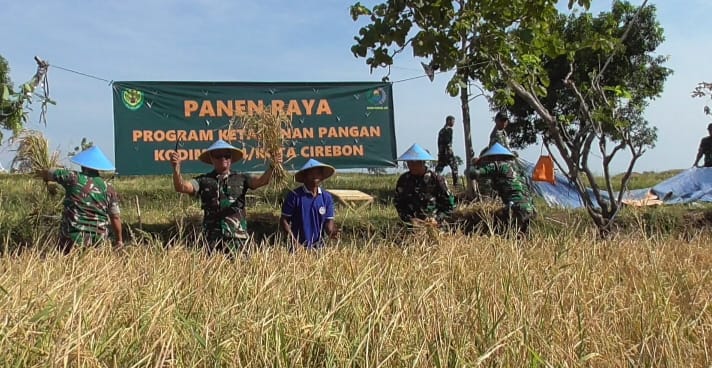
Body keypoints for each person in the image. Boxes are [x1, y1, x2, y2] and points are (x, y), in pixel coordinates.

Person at [170, 139, 281, 253]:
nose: (223, 159)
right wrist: (176, 168)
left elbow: (261, 181)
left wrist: (272, 166)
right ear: (212, 158)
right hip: (212, 238)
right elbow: (181, 187)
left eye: (227, 155)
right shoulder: (203, 180)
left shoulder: (241, 178)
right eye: (218, 156)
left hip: (237, 237)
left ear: (231, 158)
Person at [39, 146, 123, 253]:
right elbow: (115, 217)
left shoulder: (73, 178)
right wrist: (119, 241)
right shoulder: (109, 189)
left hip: (72, 239)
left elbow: (48, 172)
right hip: (98, 242)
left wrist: (46, 176)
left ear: (84, 166)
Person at [466, 143, 535, 235]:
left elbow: (473, 173)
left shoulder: (498, 165)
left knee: (500, 230)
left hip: (516, 208)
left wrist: (474, 164)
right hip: (530, 209)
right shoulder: (518, 169)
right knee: (524, 238)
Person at [280, 159, 338, 250]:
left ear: (322, 177)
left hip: (319, 248)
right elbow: (284, 220)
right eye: (311, 173)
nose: (315, 176)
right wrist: (294, 242)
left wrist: (332, 232)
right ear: (304, 177)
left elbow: (328, 223)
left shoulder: (326, 197)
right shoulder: (294, 196)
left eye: (318, 173)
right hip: (298, 248)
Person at [395, 143, 455, 228]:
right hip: (411, 226)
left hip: (435, 226)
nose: (411, 166)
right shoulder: (404, 180)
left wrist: (437, 218)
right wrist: (409, 219)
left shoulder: (436, 179)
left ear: (422, 162)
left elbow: (449, 205)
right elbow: (399, 203)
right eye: (409, 162)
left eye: (414, 163)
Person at [434, 115, 459, 187]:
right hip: (447, 153)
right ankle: (456, 185)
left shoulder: (441, 131)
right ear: (449, 121)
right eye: (453, 121)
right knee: (454, 167)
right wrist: (450, 153)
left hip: (441, 153)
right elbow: (447, 142)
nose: (453, 123)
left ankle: (434, 180)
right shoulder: (449, 130)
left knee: (439, 169)